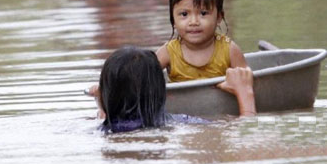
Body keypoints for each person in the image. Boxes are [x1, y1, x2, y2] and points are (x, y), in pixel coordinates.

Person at [89, 46, 255, 133]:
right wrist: (245, 94)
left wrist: (104, 106)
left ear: (105, 95)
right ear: (162, 92)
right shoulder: (180, 122)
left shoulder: (102, 130)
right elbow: (244, 130)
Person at [156, 0, 250, 82]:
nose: (194, 22)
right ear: (173, 20)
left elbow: (247, 83)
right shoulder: (168, 52)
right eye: (184, 14)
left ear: (219, 17)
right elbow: (144, 79)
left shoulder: (229, 50)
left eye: (203, 13)